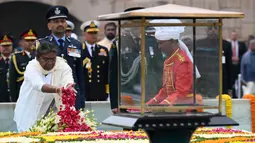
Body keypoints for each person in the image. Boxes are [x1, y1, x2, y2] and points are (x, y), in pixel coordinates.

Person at [14, 42, 75, 132]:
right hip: (29, 111)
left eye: (53, 59)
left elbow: (68, 79)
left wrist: (69, 86)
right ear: (38, 58)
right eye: (46, 59)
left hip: (51, 113)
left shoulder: (61, 65)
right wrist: (57, 89)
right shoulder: (32, 66)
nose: (50, 62)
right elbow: (39, 85)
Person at [38, 5, 85, 110]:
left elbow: (79, 73)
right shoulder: (42, 44)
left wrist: (81, 99)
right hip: (50, 97)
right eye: (56, 21)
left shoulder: (76, 44)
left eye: (62, 21)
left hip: (72, 95)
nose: (60, 24)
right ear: (49, 25)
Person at [146, 19, 200, 105]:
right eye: (158, 43)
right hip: (171, 105)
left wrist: (162, 106)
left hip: (183, 108)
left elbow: (181, 93)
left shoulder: (183, 62)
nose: (159, 47)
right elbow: (165, 91)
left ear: (172, 42)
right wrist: (148, 105)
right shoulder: (169, 60)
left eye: (161, 43)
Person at [120, 7, 163, 99]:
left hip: (150, 92)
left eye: (140, 21)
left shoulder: (153, 42)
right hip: (128, 93)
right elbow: (115, 72)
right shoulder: (121, 42)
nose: (137, 25)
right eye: (133, 22)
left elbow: (159, 67)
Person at [197, 23, 232, 97]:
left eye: (215, 28)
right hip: (205, 80)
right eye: (210, 28)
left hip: (221, 80)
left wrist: (230, 88)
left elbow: (229, 66)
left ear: (219, 30)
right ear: (206, 30)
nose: (213, 31)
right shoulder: (199, 43)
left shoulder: (226, 44)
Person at [80, 20, 109, 101]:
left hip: (100, 92)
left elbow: (107, 71)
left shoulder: (103, 50)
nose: (93, 35)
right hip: (85, 91)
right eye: (90, 33)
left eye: (95, 33)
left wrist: (107, 90)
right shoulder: (79, 50)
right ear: (84, 34)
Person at [9, 29, 37, 102]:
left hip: (37, 93)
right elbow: (12, 80)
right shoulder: (16, 57)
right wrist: (14, 100)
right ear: (21, 42)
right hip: (22, 94)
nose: (30, 43)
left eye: (33, 40)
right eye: (27, 40)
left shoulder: (41, 56)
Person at [97, 22, 118, 112]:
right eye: (108, 30)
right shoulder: (100, 45)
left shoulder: (119, 43)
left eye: (112, 30)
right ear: (104, 31)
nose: (110, 32)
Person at [230, 30, 247, 98]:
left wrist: (239, 58)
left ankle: (240, 95)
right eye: (233, 35)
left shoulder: (241, 44)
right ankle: (233, 95)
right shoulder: (229, 44)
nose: (234, 36)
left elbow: (244, 54)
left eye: (235, 35)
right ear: (231, 36)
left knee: (240, 81)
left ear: (237, 36)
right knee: (232, 82)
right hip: (231, 66)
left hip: (239, 65)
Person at [0, 34, 13, 102]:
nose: (6, 47)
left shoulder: (17, 60)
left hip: (15, 96)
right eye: (3, 46)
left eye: (8, 45)